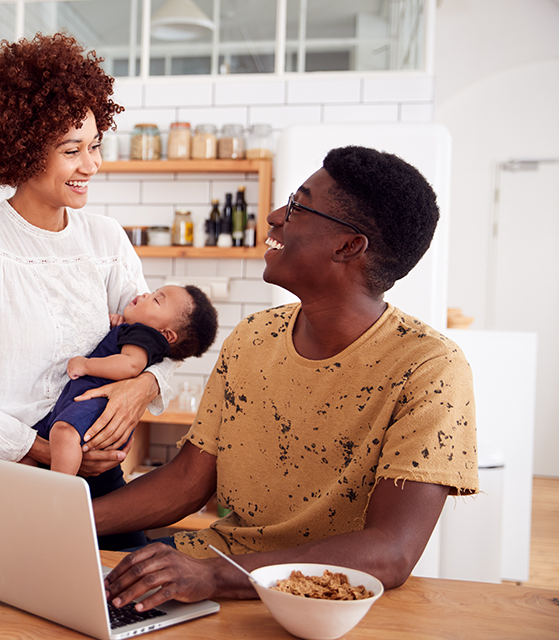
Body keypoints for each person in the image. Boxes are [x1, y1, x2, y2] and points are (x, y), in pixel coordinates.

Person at [96, 145, 479, 608]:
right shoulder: (254, 337)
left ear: (348, 245)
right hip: (214, 569)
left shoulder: (429, 368)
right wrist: (64, 517)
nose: (275, 215)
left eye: (298, 205)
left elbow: (391, 552)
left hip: (325, 602)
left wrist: (214, 576)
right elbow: (187, 482)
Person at [0, 33, 177, 548]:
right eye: (71, 150)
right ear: (23, 149)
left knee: (119, 605)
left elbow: (160, 338)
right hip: (6, 472)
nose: (91, 165)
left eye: (95, 145)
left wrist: (142, 389)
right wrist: (43, 450)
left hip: (99, 476)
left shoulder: (105, 238)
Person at [29, 284, 218, 479]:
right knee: (31, 446)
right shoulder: (139, 335)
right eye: (153, 292)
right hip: (78, 403)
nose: (145, 294)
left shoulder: (144, 334)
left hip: (96, 403)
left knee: (63, 433)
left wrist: (85, 365)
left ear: (166, 334)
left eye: (156, 299)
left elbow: (130, 365)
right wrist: (120, 325)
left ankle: (59, 495)